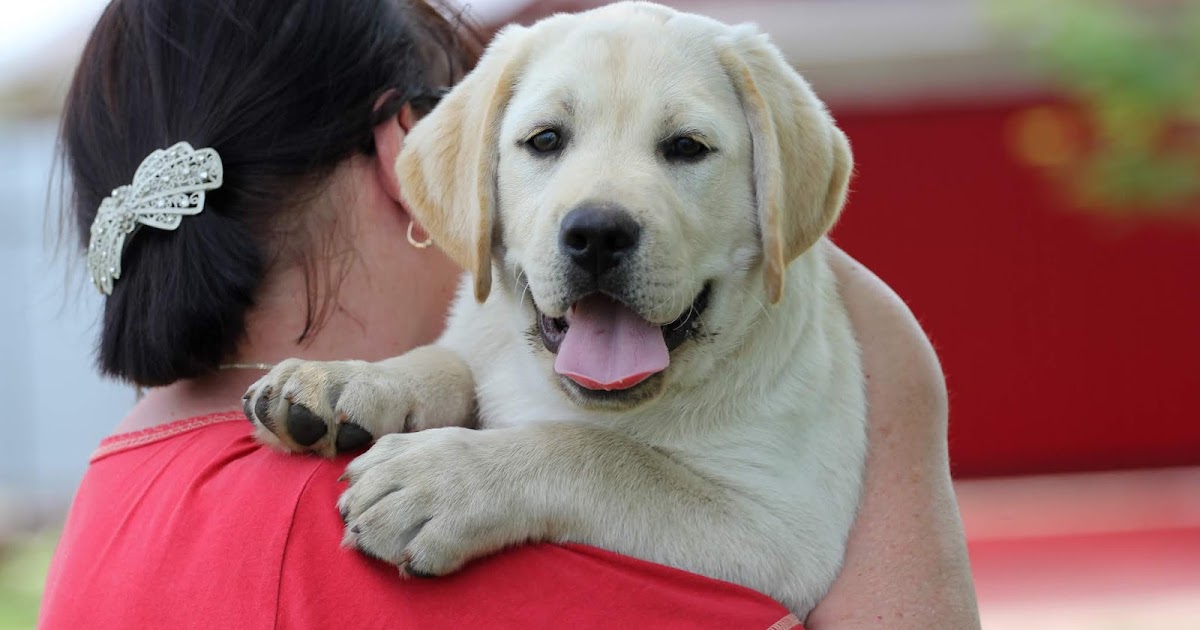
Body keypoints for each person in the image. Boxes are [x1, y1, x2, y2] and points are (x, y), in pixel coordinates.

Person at [38, 0, 980, 628]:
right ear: (425, 168)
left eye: (686, 145)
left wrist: (433, 391)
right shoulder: (357, 539)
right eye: (544, 143)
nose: (601, 209)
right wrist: (899, 386)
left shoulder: (114, 501)